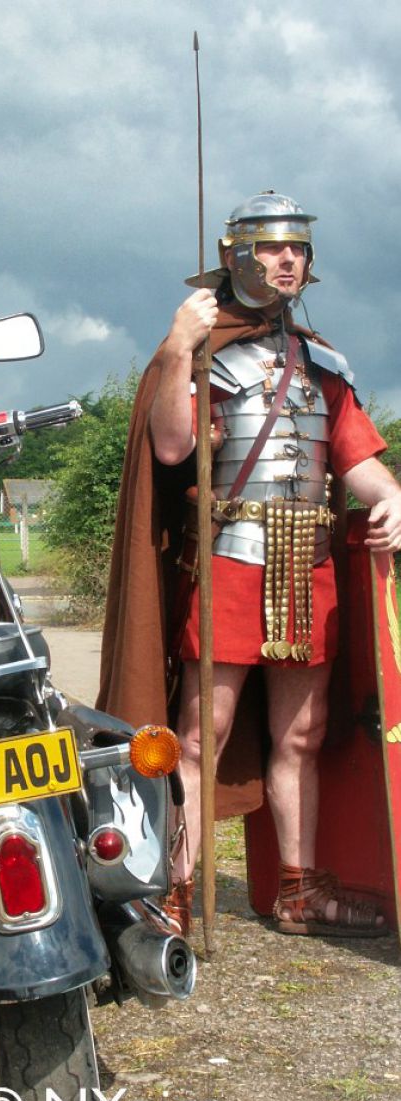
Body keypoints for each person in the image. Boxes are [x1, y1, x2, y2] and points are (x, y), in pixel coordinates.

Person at [98, 191, 401, 938]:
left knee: (303, 732)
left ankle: (297, 888)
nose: (288, 259)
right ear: (238, 255)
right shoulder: (205, 349)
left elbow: (355, 455)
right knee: (202, 734)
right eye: (272, 247)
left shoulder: (321, 360)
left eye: (298, 247)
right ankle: (175, 885)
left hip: (309, 564)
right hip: (232, 559)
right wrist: (176, 349)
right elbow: (171, 448)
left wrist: (392, 498)